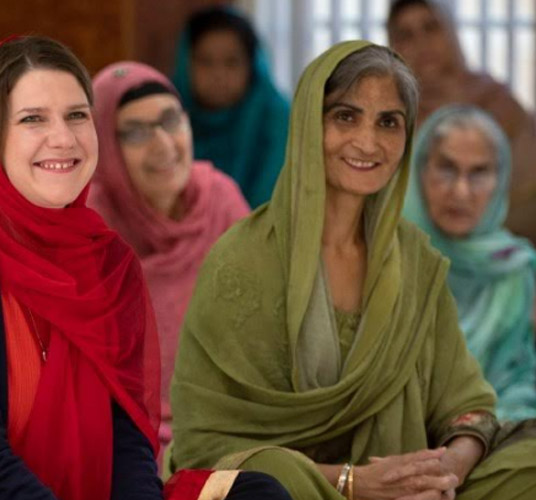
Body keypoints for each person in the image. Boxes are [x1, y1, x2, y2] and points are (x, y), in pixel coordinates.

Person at [0, 36, 291, 500]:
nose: (63, 138)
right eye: (32, 119)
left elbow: (126, 448)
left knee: (256, 491)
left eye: (77, 115)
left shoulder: (106, 264)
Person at [170, 40, 536, 499]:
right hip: (298, 489)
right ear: (309, 123)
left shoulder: (414, 259)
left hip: (406, 485)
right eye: (346, 116)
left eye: (388, 122)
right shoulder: (242, 260)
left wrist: (444, 474)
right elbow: (206, 442)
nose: (367, 142)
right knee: (269, 475)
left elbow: (467, 406)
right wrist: (354, 482)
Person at [88, 61, 249, 455]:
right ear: (105, 146)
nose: (162, 144)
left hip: (233, 424)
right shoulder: (89, 229)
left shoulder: (220, 201)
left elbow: (262, 332)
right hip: (125, 437)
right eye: (136, 132)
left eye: (170, 121)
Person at [404, 104, 536, 421]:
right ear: (420, 171)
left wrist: (480, 423)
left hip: (495, 426)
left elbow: (521, 379)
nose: (461, 191)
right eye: (446, 168)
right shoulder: (392, 257)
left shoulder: (513, 268)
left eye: (479, 173)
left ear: (500, 180)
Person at [387, 0, 536, 244]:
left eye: (430, 28)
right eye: (406, 35)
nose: (421, 43)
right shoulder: (392, 115)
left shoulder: (496, 100)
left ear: (450, 32)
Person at [172, 6, 290, 208]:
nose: (218, 74)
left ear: (253, 66)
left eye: (232, 62)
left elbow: (269, 207)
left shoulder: (277, 119)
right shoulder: (167, 119)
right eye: (205, 62)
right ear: (185, 64)